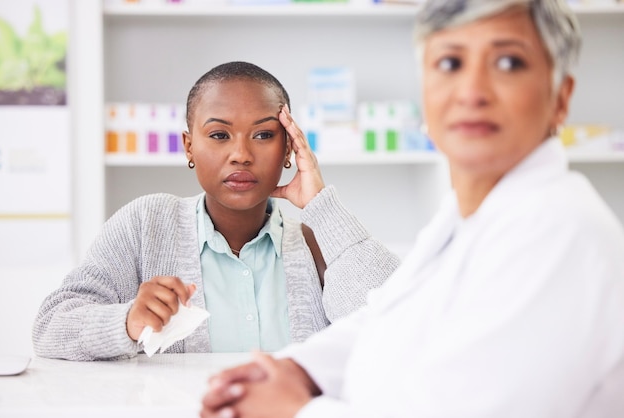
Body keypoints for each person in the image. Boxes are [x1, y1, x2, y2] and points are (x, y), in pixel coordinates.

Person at [199, 1, 624, 417]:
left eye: (509, 63)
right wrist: (296, 368)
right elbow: (387, 319)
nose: (472, 91)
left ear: (561, 97)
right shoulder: (467, 218)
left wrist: (296, 409)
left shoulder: (560, 232)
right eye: (450, 64)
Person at [32, 61, 399, 360]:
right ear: (189, 147)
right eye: (220, 135)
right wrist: (127, 321)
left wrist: (322, 207)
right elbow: (50, 328)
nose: (241, 154)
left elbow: (406, 323)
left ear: (289, 149)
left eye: (263, 135)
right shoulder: (146, 225)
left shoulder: (316, 242)